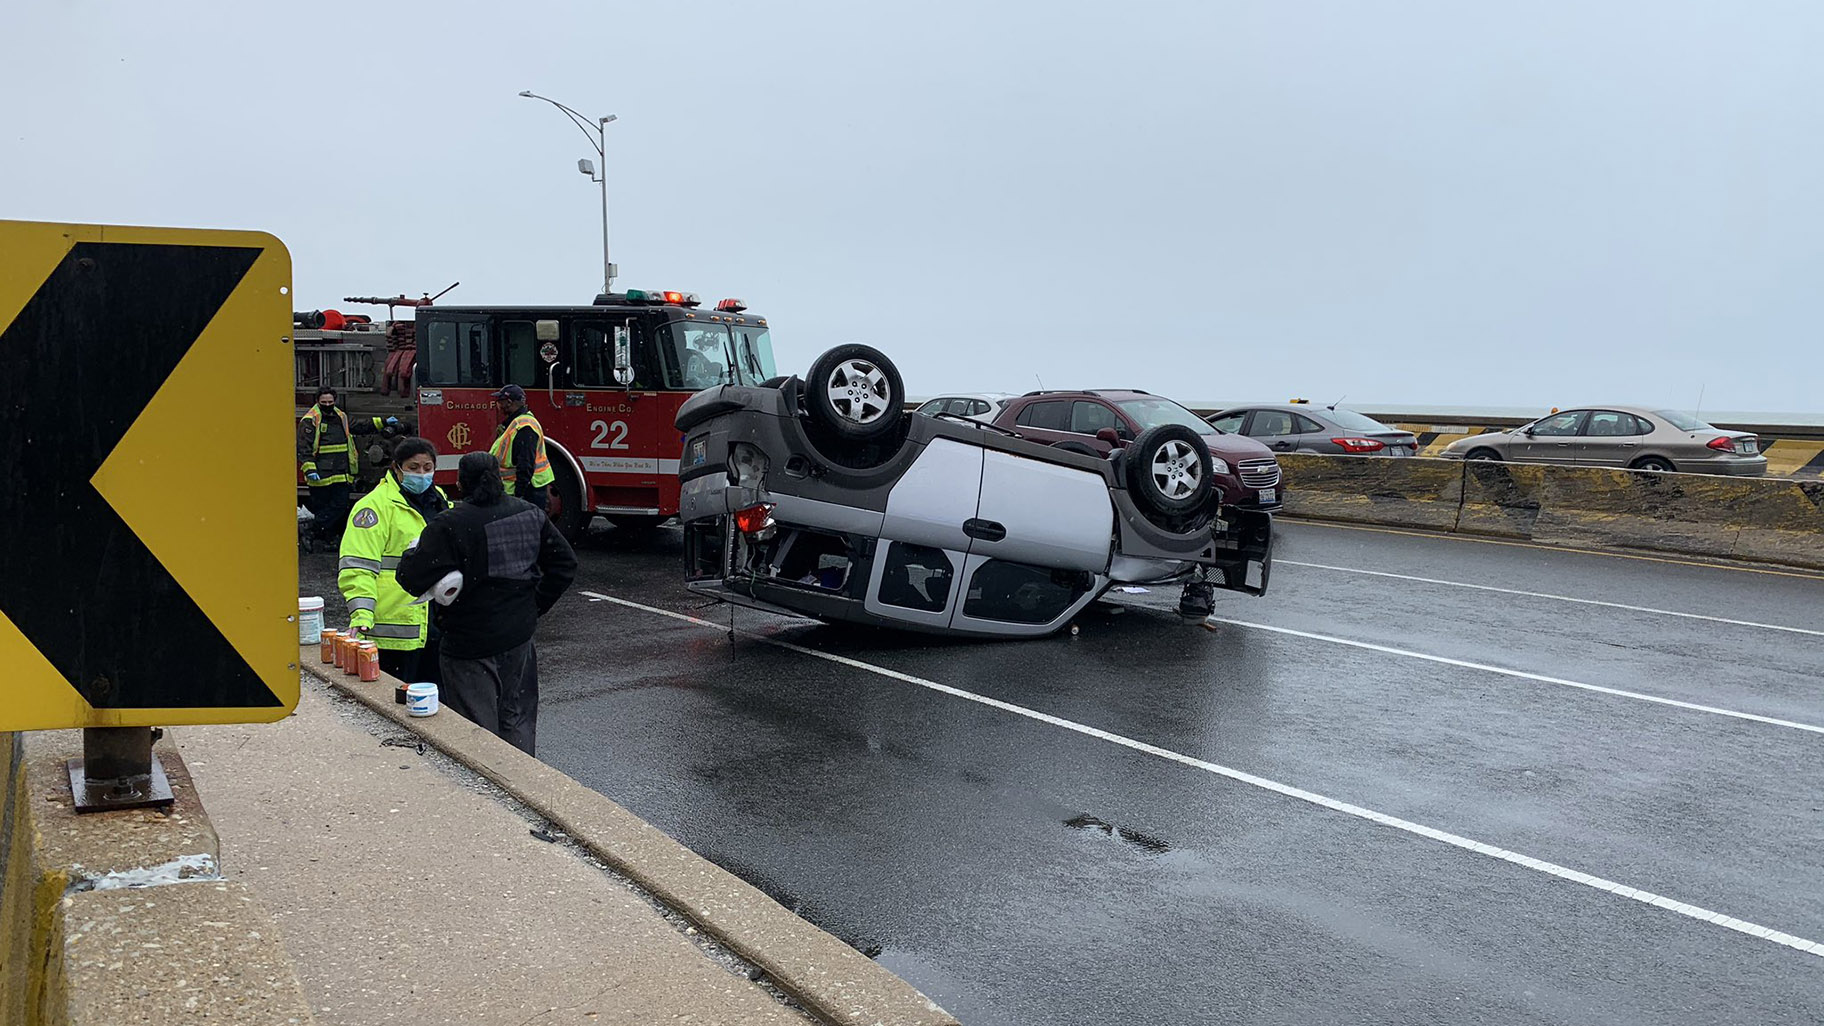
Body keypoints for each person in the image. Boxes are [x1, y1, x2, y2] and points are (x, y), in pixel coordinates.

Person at [395, 452, 577, 754]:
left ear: (460, 483)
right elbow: (564, 565)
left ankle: (485, 780)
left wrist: (412, 552)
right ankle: (520, 777)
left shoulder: (451, 523)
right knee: (516, 718)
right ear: (499, 478)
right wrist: (534, 606)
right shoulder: (529, 514)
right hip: (518, 638)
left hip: (469, 644)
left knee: (476, 731)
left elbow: (411, 578)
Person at [338, 437, 450, 683]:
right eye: (413, 467)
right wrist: (362, 612)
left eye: (427, 467)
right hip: (394, 629)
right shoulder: (374, 507)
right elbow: (358, 566)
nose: (421, 474)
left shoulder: (439, 500)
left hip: (434, 623)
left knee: (435, 699)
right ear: (397, 468)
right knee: (395, 699)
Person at [298, 388, 399, 543]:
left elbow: (359, 426)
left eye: (330, 402)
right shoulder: (311, 420)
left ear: (335, 401)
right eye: (324, 402)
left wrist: (383, 422)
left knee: (340, 505)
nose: (327, 405)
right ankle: (325, 539)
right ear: (317, 401)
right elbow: (304, 447)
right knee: (323, 508)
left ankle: (312, 531)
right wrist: (310, 469)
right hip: (320, 474)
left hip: (340, 473)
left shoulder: (341, 416)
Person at [486, 384, 554, 511]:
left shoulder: (524, 427)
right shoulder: (517, 423)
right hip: (528, 489)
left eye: (500, 401)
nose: (498, 405)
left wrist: (519, 495)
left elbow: (525, 464)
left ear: (509, 402)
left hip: (529, 491)